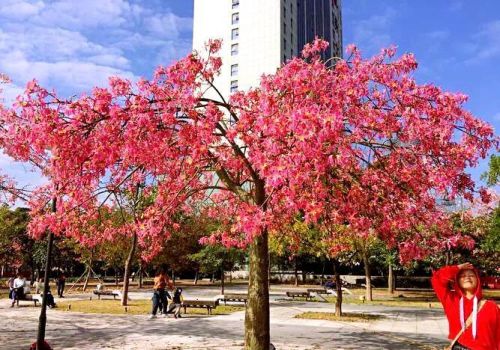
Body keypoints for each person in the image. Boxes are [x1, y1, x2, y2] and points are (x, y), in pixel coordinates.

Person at [432, 262, 500, 350]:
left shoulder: (491, 307)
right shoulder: (451, 300)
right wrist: (456, 268)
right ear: (457, 281)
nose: (467, 277)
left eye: (471, 275)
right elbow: (436, 279)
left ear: (477, 280)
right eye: (462, 276)